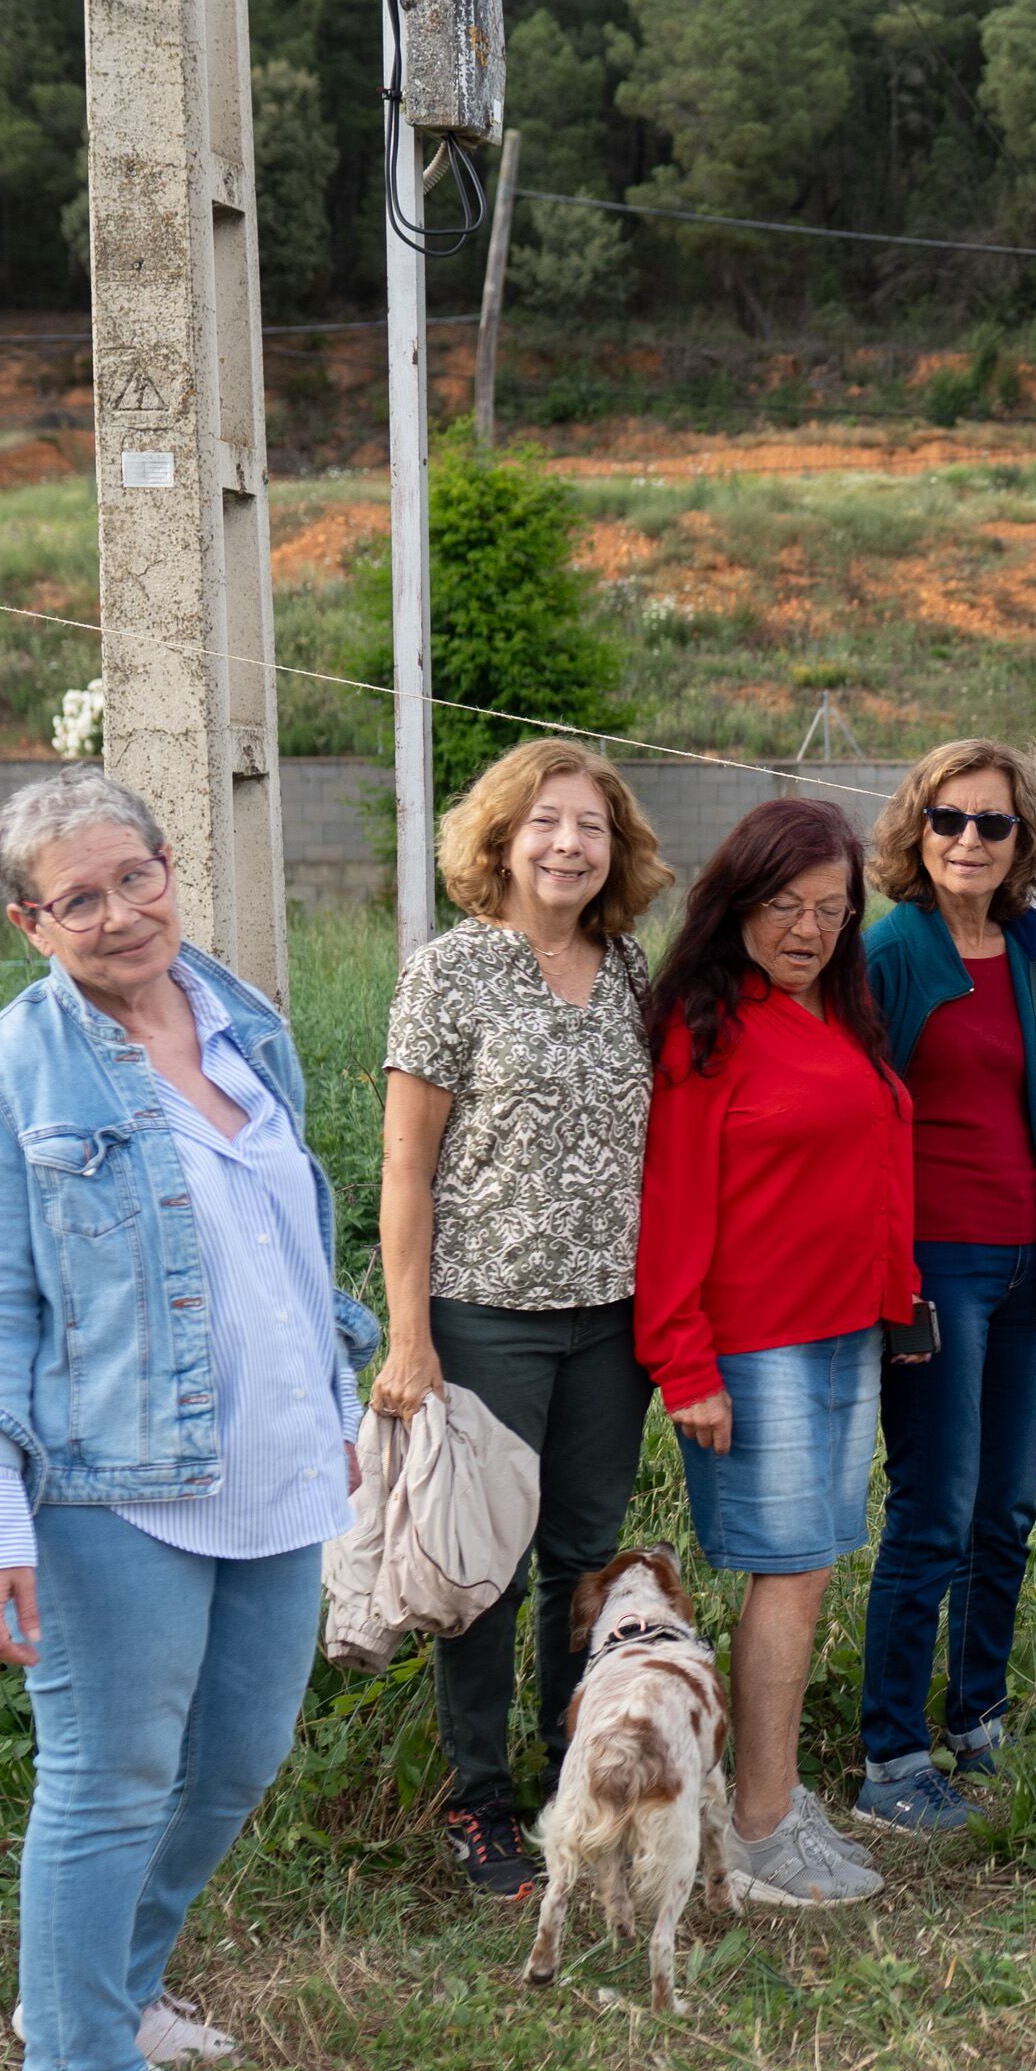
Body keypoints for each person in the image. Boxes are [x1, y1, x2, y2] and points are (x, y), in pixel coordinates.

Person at [0, 767, 376, 2071]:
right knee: (109, 1777)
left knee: (237, 1754)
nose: (120, 913)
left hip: (269, 1463)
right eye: (79, 898)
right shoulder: (3, 1075)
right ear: (28, 922)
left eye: (136, 876)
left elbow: (291, 1232)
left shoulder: (242, 1020)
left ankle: (108, 1993)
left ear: (172, 866)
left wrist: (334, 1387)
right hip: (108, 1483)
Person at [372, 738, 673, 1902]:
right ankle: (478, 1800)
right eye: (547, 822)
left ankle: (570, 1783)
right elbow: (407, 1167)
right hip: (486, 1313)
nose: (568, 844)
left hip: (612, 1320)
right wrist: (411, 1337)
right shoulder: (449, 974)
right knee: (481, 1567)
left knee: (581, 1562)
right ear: (500, 838)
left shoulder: (630, 972)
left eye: (591, 827)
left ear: (616, 849)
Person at [635, 798, 919, 1909]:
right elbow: (670, 1207)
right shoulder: (705, 1025)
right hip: (758, 1345)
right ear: (738, 902)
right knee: (788, 1573)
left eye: (833, 911)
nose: (808, 929)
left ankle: (771, 1794)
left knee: (806, 1566)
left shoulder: (833, 1015)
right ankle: (756, 1834)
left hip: (845, 1331)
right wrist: (684, 1362)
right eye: (786, 906)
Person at [854, 740, 1036, 1833]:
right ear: (915, 832)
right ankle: (889, 1760)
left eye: (993, 824)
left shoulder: (1030, 946)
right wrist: (883, 1272)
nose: (970, 840)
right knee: (933, 1512)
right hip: (934, 1273)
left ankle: (978, 1726)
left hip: (1031, 1271)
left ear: (1022, 841)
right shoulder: (892, 954)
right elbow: (854, 1122)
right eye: (949, 820)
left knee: (1006, 1512)